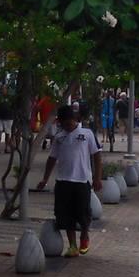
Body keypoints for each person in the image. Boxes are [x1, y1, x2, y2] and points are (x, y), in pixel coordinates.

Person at [32, 104, 103, 256]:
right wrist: (45, 178)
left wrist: (97, 178)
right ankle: (72, 245)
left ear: (75, 119)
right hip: (63, 180)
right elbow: (52, 158)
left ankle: (84, 235)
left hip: (82, 180)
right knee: (65, 214)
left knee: (83, 213)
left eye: (69, 123)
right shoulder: (59, 137)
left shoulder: (87, 134)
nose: (67, 126)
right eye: (64, 124)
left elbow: (97, 156)